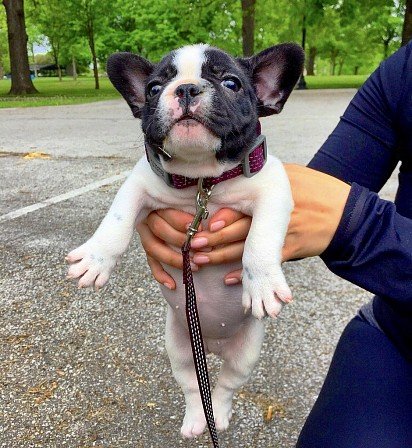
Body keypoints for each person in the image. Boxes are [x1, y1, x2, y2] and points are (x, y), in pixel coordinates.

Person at [136, 41, 412, 447]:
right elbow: (315, 188)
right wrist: (167, 204)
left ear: (267, 90)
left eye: (228, 82)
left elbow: (334, 209)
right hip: (398, 336)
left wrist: (360, 225)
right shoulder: (403, 71)